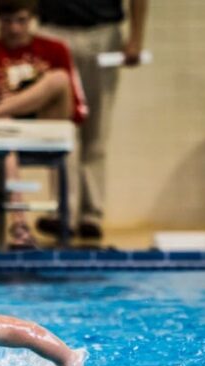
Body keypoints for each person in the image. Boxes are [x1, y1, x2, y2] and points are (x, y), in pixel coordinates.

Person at [0, 0, 87, 249]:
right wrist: (3, 109)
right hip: (5, 136)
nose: (14, 28)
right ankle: (20, 226)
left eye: (21, 20)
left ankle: (64, 218)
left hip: (46, 130)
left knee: (58, 79)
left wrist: (18, 101)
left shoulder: (55, 49)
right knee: (4, 127)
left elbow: (74, 110)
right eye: (7, 21)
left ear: (32, 18)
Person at [34, 0, 148, 240]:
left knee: (96, 130)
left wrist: (137, 37)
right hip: (53, 30)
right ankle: (63, 210)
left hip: (102, 33)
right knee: (60, 131)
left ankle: (91, 214)